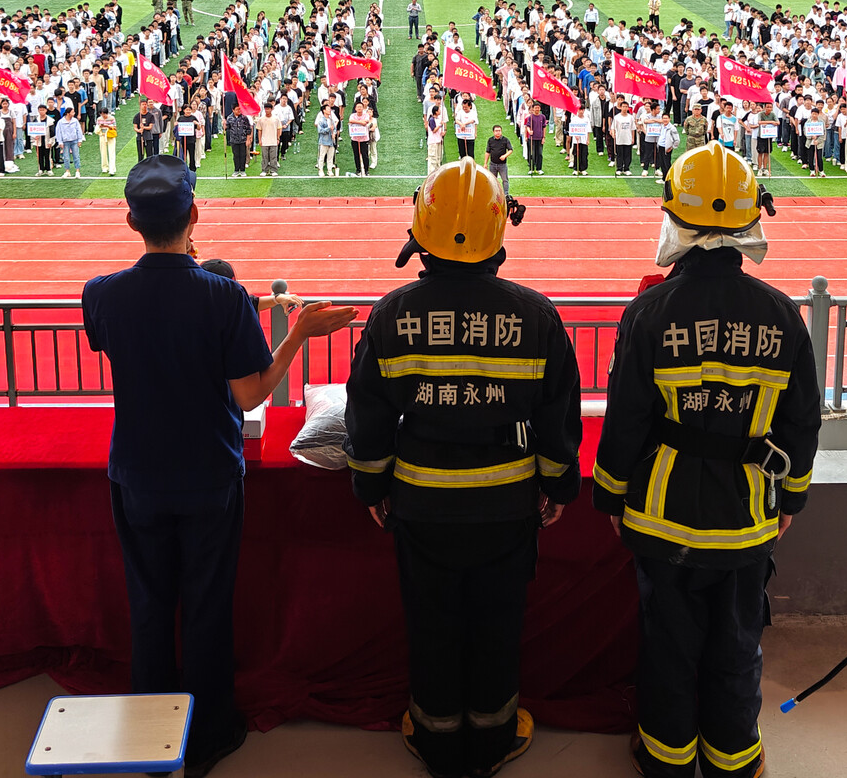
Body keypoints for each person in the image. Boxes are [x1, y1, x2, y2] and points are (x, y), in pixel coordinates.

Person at [83, 157, 356, 778]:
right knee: (206, 605)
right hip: (207, 474)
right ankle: (206, 735)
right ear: (195, 215)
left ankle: (152, 733)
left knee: (150, 603)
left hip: (138, 474)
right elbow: (251, 395)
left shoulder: (101, 295)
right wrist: (298, 335)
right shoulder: (224, 298)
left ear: (131, 221)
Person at [344, 159, 581, 778]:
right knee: (498, 624)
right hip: (508, 507)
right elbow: (560, 417)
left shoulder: (393, 313)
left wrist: (371, 483)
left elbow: (366, 414)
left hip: (420, 506)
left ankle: (437, 737)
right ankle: (494, 737)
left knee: (432, 624)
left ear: (421, 230)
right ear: (500, 231)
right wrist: (557, 485)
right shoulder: (536, 317)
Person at [595, 143, 820, 778]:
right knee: (736, 644)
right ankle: (733, 761)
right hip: (747, 520)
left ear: (676, 221)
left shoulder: (648, 313)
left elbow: (626, 421)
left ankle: (667, 760)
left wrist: (611, 498)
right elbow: (802, 423)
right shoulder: (782, 316)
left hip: (662, 519)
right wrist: (792, 501)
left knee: (669, 647)